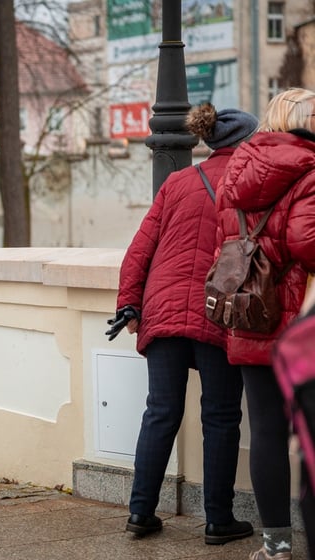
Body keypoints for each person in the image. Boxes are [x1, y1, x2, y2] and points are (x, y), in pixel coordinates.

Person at [106, 103, 257, 544]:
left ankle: (140, 513)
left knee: (161, 411)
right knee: (221, 415)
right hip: (219, 309)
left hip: (163, 307)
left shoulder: (177, 182)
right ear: (245, 142)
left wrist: (129, 304)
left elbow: (140, 249)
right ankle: (218, 520)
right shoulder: (251, 183)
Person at [213, 87, 315, 560]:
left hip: (250, 315)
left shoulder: (238, 169)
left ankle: (276, 545)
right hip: (298, 326)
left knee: (267, 433)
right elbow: (307, 244)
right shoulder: (309, 169)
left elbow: (224, 240)